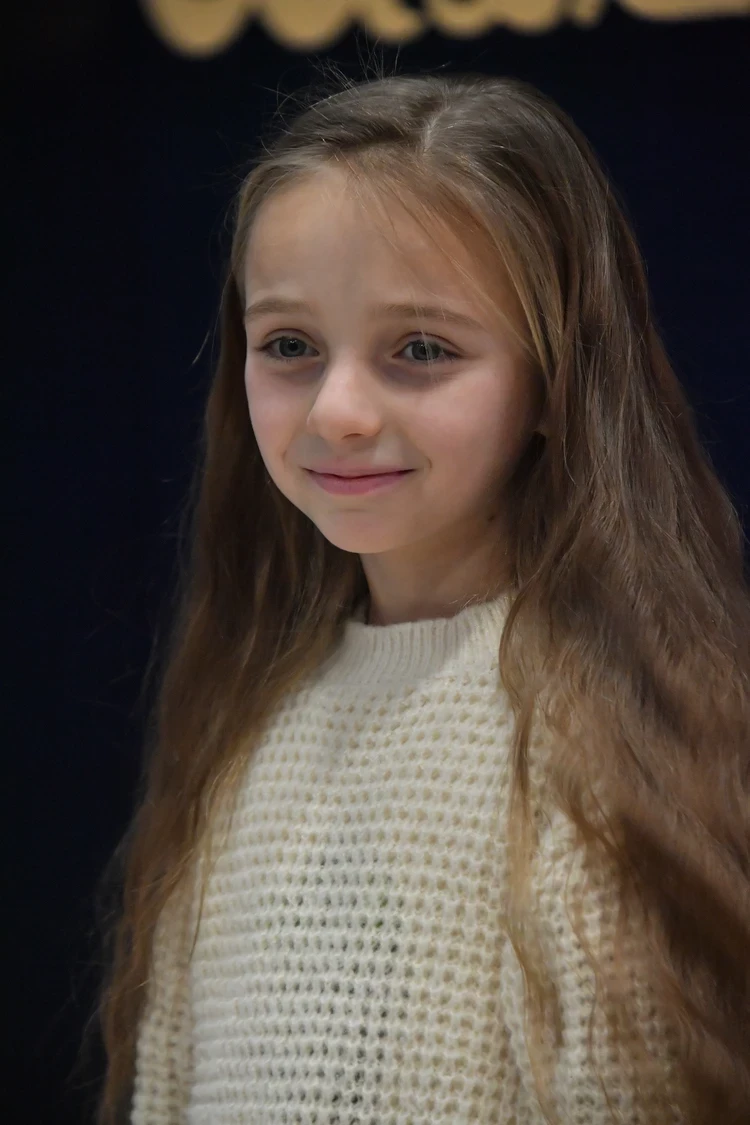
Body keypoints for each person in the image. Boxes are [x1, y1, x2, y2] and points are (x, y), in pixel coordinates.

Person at [95, 73, 750, 1125]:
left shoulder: (608, 746)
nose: (339, 410)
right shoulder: (243, 724)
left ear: (555, 381)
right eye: (290, 346)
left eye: (422, 350)